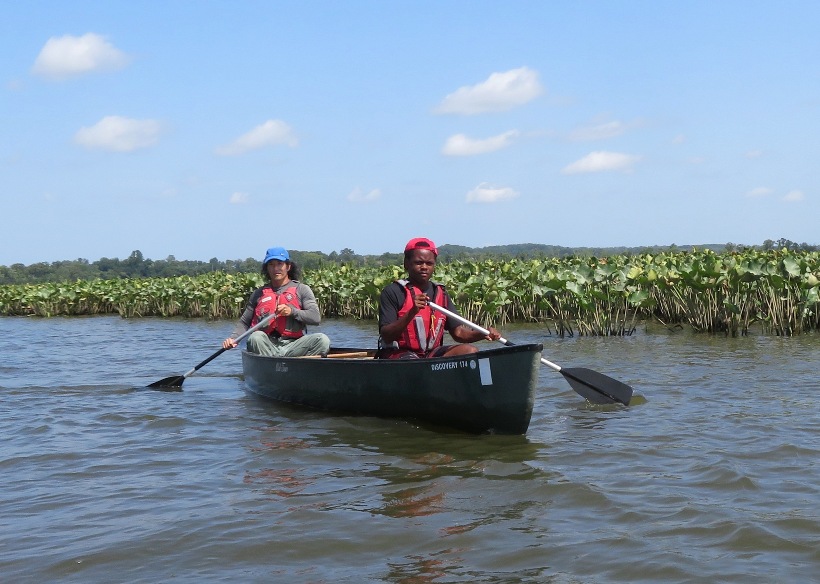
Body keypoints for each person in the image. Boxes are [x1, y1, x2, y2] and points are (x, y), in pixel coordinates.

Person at [377, 237, 501, 359]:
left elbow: (459, 333)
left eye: (429, 263)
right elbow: (387, 336)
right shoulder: (392, 292)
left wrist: (483, 333)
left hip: (430, 354)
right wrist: (412, 312)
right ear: (406, 264)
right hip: (400, 354)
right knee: (413, 362)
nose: (424, 267)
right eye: (418, 262)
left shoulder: (441, 293)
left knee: (469, 350)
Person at [223, 246, 330, 357]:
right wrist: (233, 339)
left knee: (322, 340)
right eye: (271, 265)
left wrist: (292, 311)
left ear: (288, 267)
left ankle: (294, 365)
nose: (276, 269)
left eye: (279, 264)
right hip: (266, 345)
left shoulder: (302, 289)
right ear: (267, 268)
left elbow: (315, 317)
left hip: (294, 345)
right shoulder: (258, 293)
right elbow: (245, 322)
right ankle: (272, 364)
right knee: (256, 337)